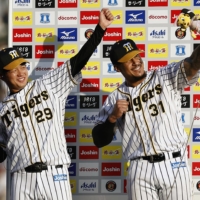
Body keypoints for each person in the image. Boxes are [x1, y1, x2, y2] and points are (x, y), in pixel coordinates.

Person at [0, 8, 113, 200]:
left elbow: (78, 61)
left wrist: (100, 29)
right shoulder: (2, 110)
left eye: (22, 65)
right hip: (20, 179)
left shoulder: (47, 84)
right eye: (13, 68)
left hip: (54, 174)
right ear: (2, 75)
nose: (21, 72)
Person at [92, 39, 200, 200]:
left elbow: (193, 64)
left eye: (136, 55)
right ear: (116, 67)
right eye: (128, 59)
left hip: (174, 162)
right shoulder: (114, 98)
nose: (136, 62)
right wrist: (112, 117)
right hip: (139, 169)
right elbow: (99, 140)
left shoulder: (165, 76)